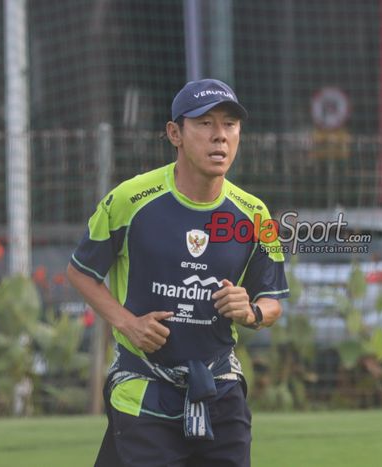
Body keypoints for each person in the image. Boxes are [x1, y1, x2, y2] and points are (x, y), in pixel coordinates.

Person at [67, 78, 289, 467]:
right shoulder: (128, 200)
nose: (219, 137)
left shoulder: (257, 215)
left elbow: (273, 301)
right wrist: (127, 323)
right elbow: (80, 271)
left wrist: (251, 311)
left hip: (220, 389)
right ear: (175, 133)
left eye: (230, 125)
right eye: (205, 124)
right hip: (144, 386)